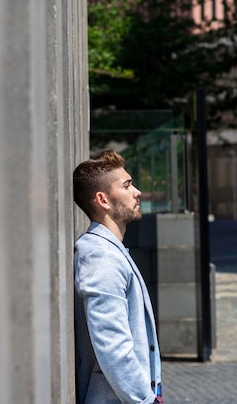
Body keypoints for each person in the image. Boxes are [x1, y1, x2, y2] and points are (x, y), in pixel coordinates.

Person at [73, 150, 163, 404]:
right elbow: (112, 343)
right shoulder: (101, 257)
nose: (137, 192)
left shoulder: (109, 250)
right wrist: (145, 400)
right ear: (103, 200)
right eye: (127, 185)